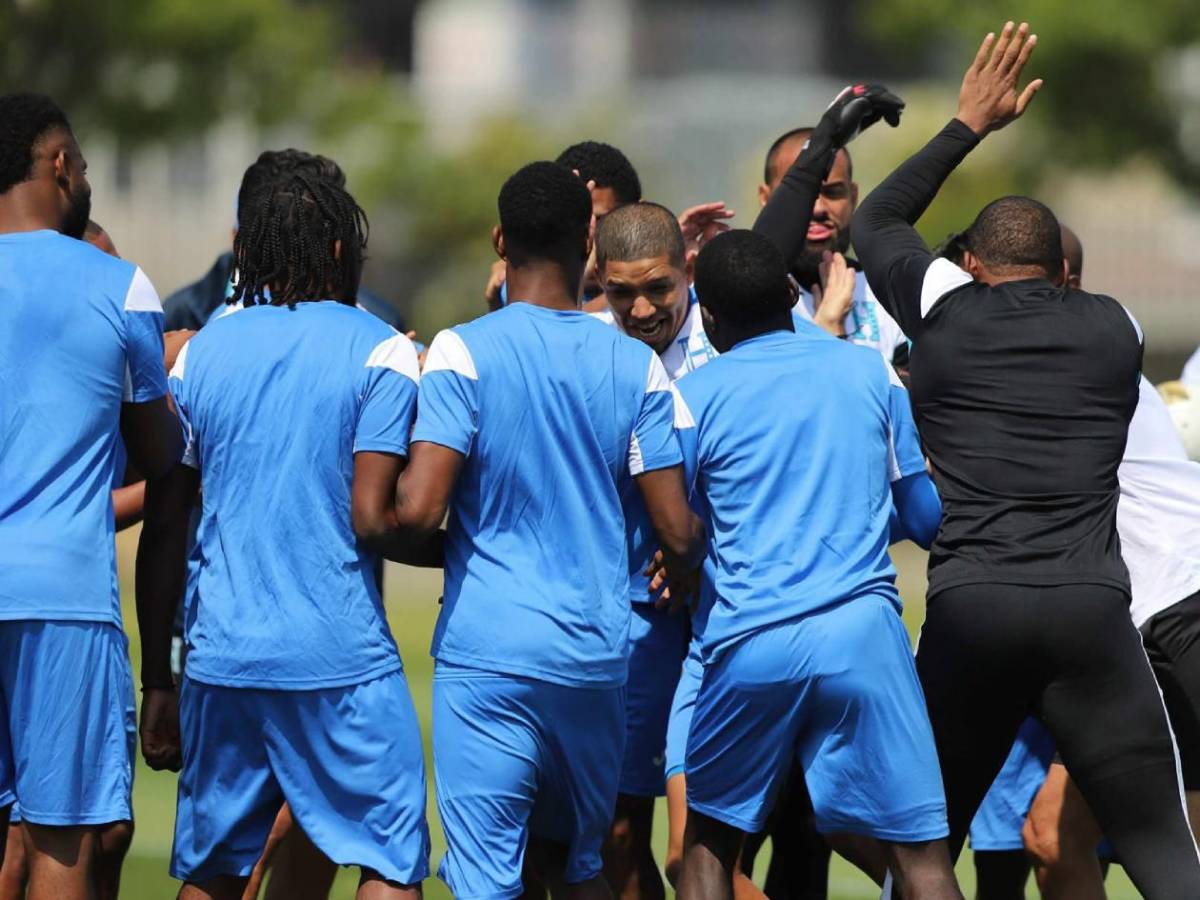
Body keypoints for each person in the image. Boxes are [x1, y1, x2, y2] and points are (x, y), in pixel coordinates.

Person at [852, 22, 1200, 898]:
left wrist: (968, 124)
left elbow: (876, 219)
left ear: (970, 265)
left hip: (973, 610)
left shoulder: (945, 309)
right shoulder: (1115, 326)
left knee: (925, 846)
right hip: (1090, 612)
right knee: (1162, 843)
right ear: (1061, 271)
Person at [389, 160, 705, 900]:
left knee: (486, 879)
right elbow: (677, 530)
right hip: (595, 660)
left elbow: (420, 508)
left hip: (489, 655)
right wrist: (685, 559)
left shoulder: (464, 349)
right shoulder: (636, 365)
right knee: (581, 868)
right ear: (590, 242)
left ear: (500, 240)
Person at [136, 169, 431, 900]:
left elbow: (168, 523)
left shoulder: (199, 353)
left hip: (222, 656)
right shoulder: (382, 348)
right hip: (341, 657)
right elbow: (376, 511)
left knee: (215, 870)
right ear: (339, 246)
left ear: (249, 251)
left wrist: (159, 678)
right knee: (390, 862)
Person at [671, 229, 955, 900]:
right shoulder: (869, 369)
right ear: (790, 294)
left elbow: (674, 528)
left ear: (706, 315)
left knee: (708, 850)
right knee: (922, 858)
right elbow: (924, 518)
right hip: (864, 637)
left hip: (750, 640)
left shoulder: (691, 395)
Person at [0, 92, 181, 897]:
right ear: (59, 164)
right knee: (61, 841)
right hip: (64, 596)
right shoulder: (122, 285)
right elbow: (157, 455)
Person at [1016, 230, 1200, 900]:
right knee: (1051, 839)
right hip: (1136, 629)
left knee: (1179, 853)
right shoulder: (1078, 345)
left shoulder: (1070, 359)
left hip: (1179, 608)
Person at [162, 149, 407, 332]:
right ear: (240, 242)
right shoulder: (181, 316)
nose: (293, 256)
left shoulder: (381, 323)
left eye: (312, 238)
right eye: (274, 239)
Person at [758, 124, 907, 365]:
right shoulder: (739, 302)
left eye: (832, 192)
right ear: (765, 198)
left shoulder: (889, 294)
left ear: (853, 196)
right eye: (800, 193)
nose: (817, 208)